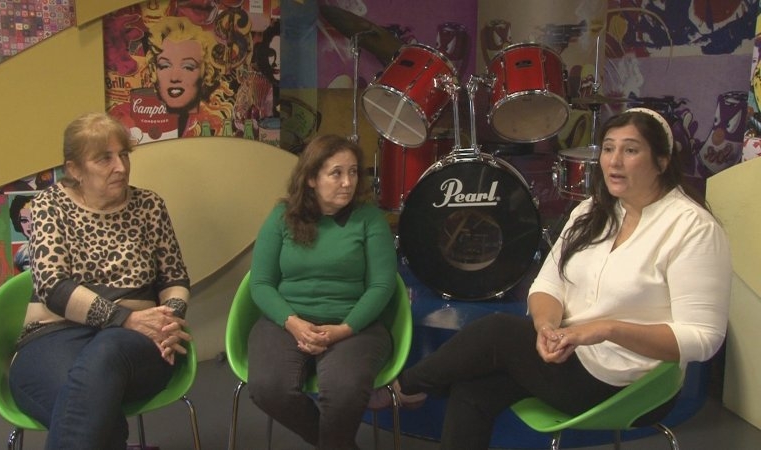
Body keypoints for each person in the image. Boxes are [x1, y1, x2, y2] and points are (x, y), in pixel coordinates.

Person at [388, 108, 732, 449]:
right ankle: (417, 386)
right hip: (571, 356)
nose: (614, 161)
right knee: (473, 390)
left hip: (632, 380)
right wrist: (546, 328)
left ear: (662, 161)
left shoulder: (692, 228)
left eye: (630, 150)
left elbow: (704, 338)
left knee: (496, 332)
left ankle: (407, 385)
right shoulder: (591, 211)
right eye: (608, 148)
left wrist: (606, 329)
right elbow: (547, 285)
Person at [8, 112, 192, 450]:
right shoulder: (49, 205)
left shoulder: (150, 205)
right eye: (104, 158)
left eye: (123, 155)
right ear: (75, 169)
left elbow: (174, 278)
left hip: (136, 343)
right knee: (91, 413)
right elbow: (52, 286)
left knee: (105, 356)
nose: (120, 167)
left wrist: (170, 319)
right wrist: (125, 318)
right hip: (55, 336)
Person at [247, 134, 398, 450]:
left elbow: (382, 286)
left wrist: (343, 330)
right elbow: (260, 283)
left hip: (354, 325)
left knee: (344, 391)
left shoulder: (369, 219)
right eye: (336, 173)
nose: (348, 182)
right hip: (287, 322)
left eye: (353, 172)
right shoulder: (282, 216)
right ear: (312, 178)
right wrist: (293, 323)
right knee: (268, 388)